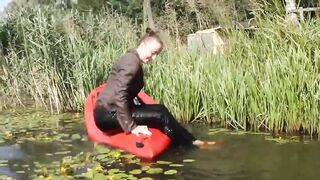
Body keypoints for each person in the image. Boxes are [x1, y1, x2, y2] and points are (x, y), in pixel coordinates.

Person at [93, 28, 215, 147]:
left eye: (156, 54)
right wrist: (132, 127)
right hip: (108, 115)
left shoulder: (131, 58)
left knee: (161, 109)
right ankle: (190, 144)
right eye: (153, 53)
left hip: (111, 110)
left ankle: (190, 139)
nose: (154, 58)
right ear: (142, 45)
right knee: (160, 115)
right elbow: (120, 95)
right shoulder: (132, 62)